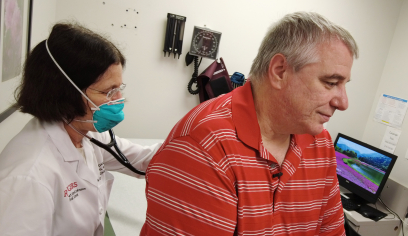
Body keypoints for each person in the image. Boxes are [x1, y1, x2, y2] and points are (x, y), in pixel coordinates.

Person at [141, 12, 358, 235]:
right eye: (331, 83)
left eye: (344, 85)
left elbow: (332, 231)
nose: (343, 103)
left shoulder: (319, 142)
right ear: (280, 71)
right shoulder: (202, 146)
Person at [0, 23, 161, 236]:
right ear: (66, 92)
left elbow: (146, 158)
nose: (119, 100)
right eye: (109, 92)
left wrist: (197, 139)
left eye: (119, 89)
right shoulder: (27, 178)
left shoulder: (87, 133)